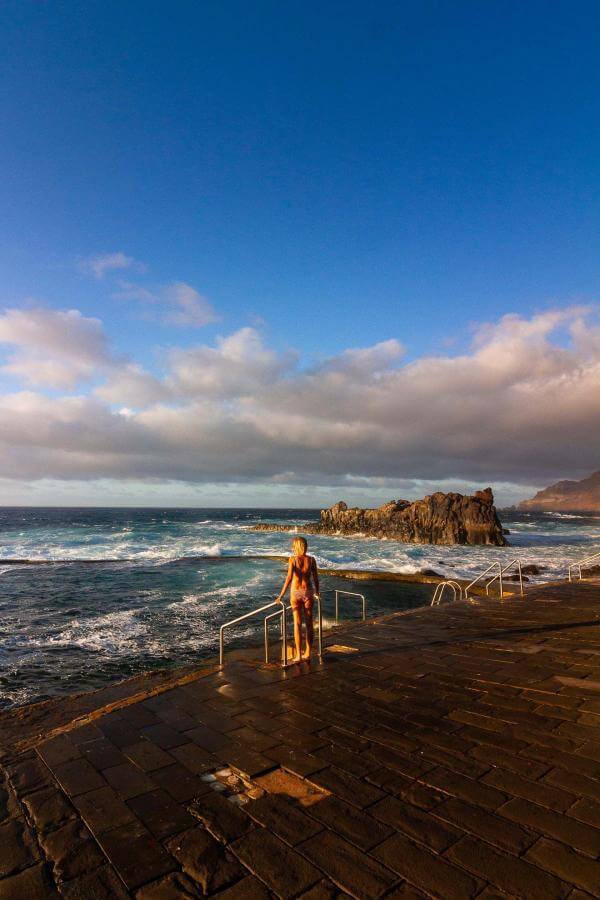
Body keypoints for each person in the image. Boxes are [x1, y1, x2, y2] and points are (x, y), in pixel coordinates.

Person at [276, 536, 319, 663]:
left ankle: (299, 656)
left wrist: (280, 596)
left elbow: (289, 578)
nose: (292, 548)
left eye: (293, 546)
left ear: (297, 546)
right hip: (308, 592)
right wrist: (317, 592)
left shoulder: (293, 559)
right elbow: (315, 578)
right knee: (309, 624)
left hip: (295, 592)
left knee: (297, 624)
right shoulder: (311, 560)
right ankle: (308, 653)